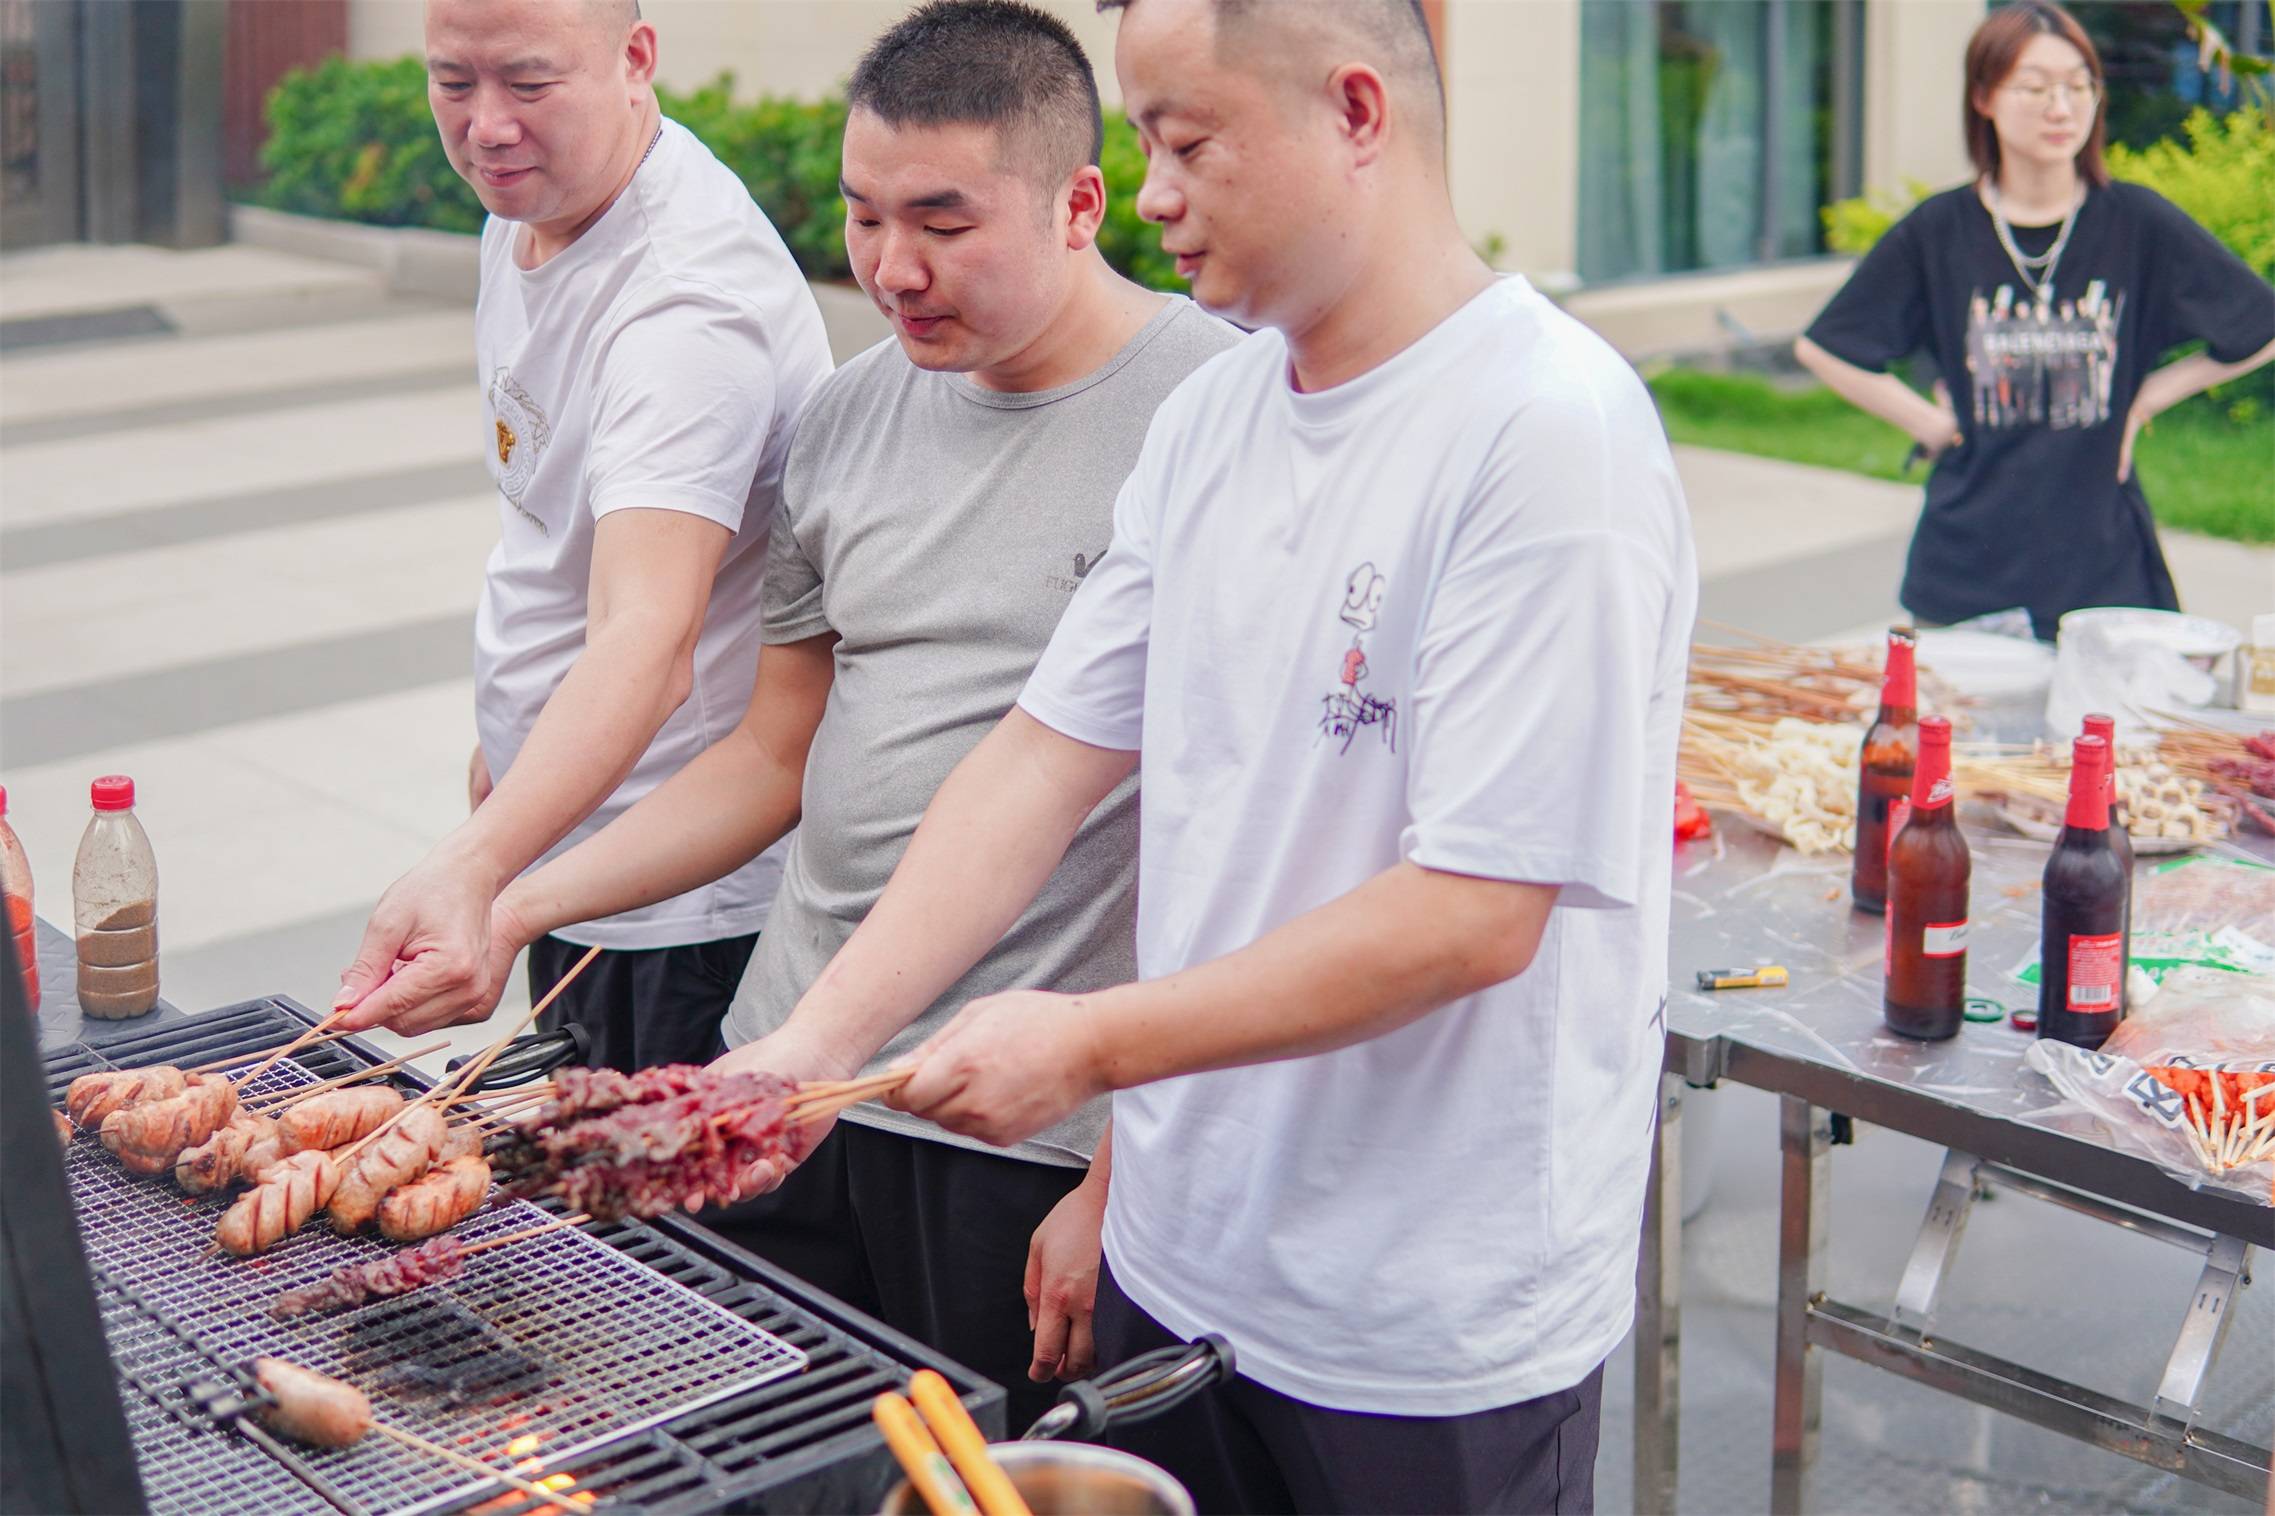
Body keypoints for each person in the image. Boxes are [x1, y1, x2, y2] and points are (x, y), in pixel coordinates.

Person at [730, 0, 1698, 1509]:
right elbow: (1034, 762)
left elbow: (1472, 911)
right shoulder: (1212, 419)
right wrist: (813, 1044)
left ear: (1356, 113)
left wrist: (1090, 1042)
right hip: (1179, 1266)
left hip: (1415, 1316)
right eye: (1144, 140)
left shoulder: (1543, 433)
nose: (1153, 191)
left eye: (1185, 142)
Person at [341, 0, 1237, 1431]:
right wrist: (509, 899)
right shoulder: (844, 415)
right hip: (786, 1074)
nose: (890, 268)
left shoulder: (1213, 417)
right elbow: (766, 758)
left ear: (1080, 204)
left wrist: (1120, 1172)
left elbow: (1232, 841)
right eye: (862, 215)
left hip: (1015, 1120)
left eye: (943, 223)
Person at [330, 0, 833, 1070]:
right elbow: (550, 526)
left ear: (636, 58)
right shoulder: (530, 204)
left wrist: (477, 860)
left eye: (527, 82)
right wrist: (508, 765)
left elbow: (645, 642)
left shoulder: (684, 311)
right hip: (559, 822)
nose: (487, 126)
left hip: (672, 896)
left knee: (642, 1228)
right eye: (452, 83)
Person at [1796, 0, 2274, 641]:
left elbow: (2260, 323)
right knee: (1964, 741)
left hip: (2103, 567)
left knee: (2111, 742)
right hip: (1968, 563)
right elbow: (1826, 347)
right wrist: (1929, 422)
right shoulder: (1938, 231)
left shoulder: (2135, 222)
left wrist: (2144, 399)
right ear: (1985, 97)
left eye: (2080, 86)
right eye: (2036, 87)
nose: (2062, 107)